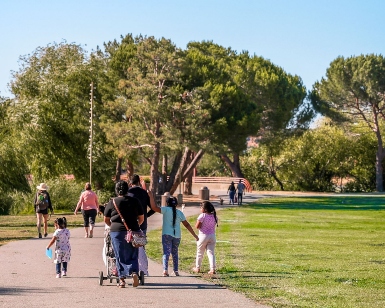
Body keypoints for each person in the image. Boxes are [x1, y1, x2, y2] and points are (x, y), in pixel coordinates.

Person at [104, 180, 144, 288]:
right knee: (133, 253)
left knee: (119, 254)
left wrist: (112, 226)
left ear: (117, 190)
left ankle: (121, 280)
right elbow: (141, 218)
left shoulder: (112, 202)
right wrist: (135, 226)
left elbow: (106, 219)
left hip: (117, 232)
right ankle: (134, 272)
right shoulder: (135, 201)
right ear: (127, 189)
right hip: (134, 230)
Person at [148, 191, 199, 277]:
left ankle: (165, 270)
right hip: (177, 236)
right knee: (175, 253)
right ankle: (176, 271)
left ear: (167, 203)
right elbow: (187, 225)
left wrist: (150, 196)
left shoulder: (165, 210)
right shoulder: (180, 213)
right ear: (176, 204)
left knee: (166, 253)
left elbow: (153, 207)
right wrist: (195, 236)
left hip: (166, 235)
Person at [128, 174, 155, 276]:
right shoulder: (144, 193)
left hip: (129, 223)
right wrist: (146, 216)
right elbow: (153, 208)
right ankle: (143, 270)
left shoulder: (128, 193)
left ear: (130, 183)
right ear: (139, 182)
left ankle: (131, 268)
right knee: (140, 246)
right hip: (142, 224)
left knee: (129, 245)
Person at [193, 201, 218, 275]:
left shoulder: (202, 216)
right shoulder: (214, 216)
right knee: (211, 253)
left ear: (205, 209)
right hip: (212, 236)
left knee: (200, 252)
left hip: (203, 236)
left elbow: (197, 226)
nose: (200, 208)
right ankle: (212, 269)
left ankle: (197, 268)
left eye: (201, 207)